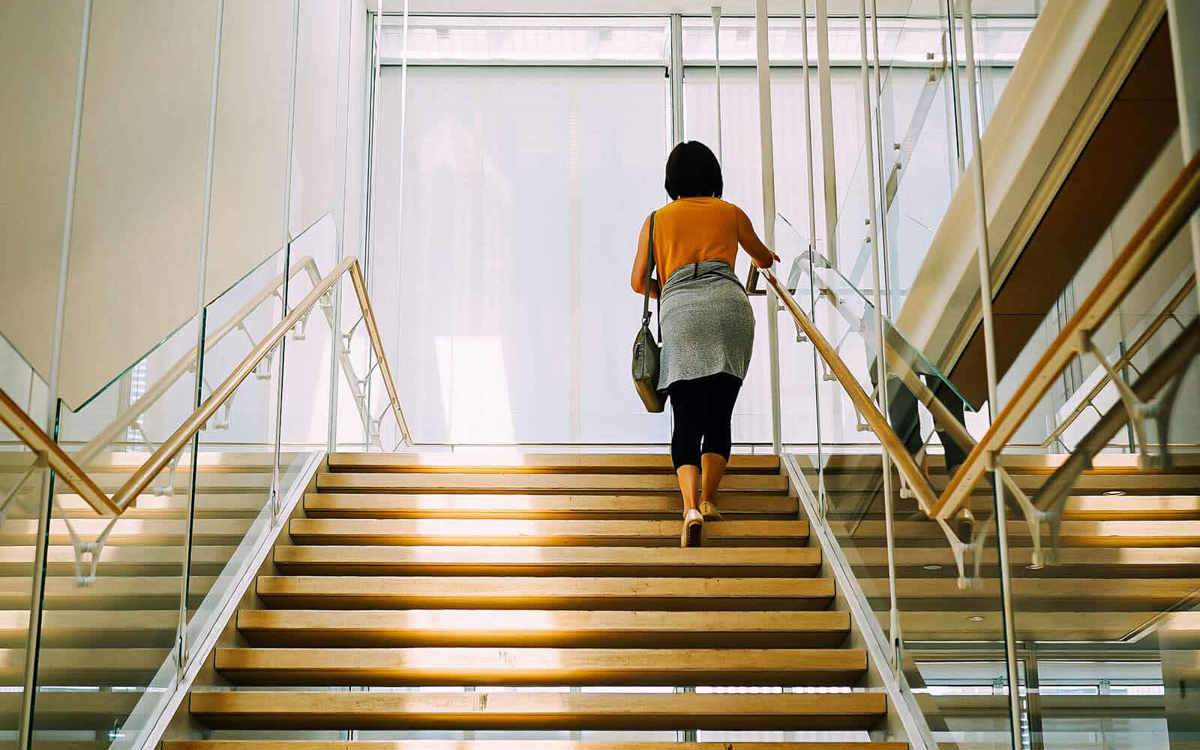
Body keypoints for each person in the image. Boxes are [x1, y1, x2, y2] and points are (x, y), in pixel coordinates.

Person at [630, 141, 778, 547]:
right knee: (720, 412)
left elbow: (639, 280)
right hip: (729, 310)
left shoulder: (657, 220)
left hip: (681, 313)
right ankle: (711, 500)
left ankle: (690, 507)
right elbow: (764, 259)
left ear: (671, 179)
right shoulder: (729, 213)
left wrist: (674, 290)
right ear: (713, 174)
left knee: (686, 416)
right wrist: (764, 258)